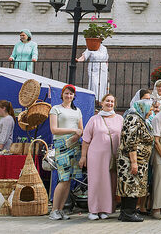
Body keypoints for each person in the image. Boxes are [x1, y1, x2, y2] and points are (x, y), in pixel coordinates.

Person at [78, 94, 123, 220]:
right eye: (107, 101)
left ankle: (105, 209)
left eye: (112, 101)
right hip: (96, 156)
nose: (110, 103)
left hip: (113, 157)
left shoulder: (120, 119)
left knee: (110, 183)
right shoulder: (94, 119)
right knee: (96, 182)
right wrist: (83, 157)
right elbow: (86, 140)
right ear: (102, 103)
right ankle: (93, 210)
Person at [48, 85, 83, 220]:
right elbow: (54, 130)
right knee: (62, 178)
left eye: (71, 94)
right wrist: (73, 131)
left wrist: (77, 135)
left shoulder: (77, 111)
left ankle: (61, 209)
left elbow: (81, 129)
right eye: (66, 93)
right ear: (62, 95)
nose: (69, 96)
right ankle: (54, 210)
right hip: (61, 144)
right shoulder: (55, 109)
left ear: (74, 96)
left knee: (69, 179)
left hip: (75, 144)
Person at [117, 99, 154, 222]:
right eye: (150, 109)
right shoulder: (133, 118)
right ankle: (128, 213)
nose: (151, 111)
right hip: (131, 160)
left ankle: (125, 213)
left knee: (131, 185)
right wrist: (134, 162)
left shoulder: (140, 119)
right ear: (142, 108)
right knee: (131, 186)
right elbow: (131, 142)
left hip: (138, 160)